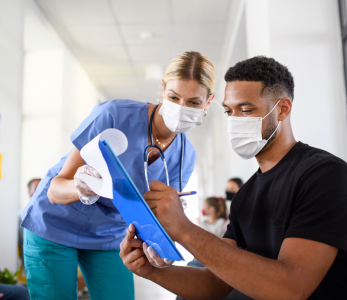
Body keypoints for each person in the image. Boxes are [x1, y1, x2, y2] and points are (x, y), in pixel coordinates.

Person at [120, 56, 347, 300]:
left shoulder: (324, 175)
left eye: (245, 110)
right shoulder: (246, 195)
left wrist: (185, 230)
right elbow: (216, 283)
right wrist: (152, 271)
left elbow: (291, 288)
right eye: (228, 111)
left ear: (283, 109)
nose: (234, 120)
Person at [20, 51, 216, 300]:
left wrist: (162, 247)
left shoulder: (185, 156)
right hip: (54, 225)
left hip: (109, 237)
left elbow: (157, 216)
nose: (180, 108)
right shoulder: (114, 115)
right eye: (174, 97)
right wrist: (81, 187)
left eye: (194, 102)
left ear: (208, 103)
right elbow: (55, 189)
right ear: (162, 89)